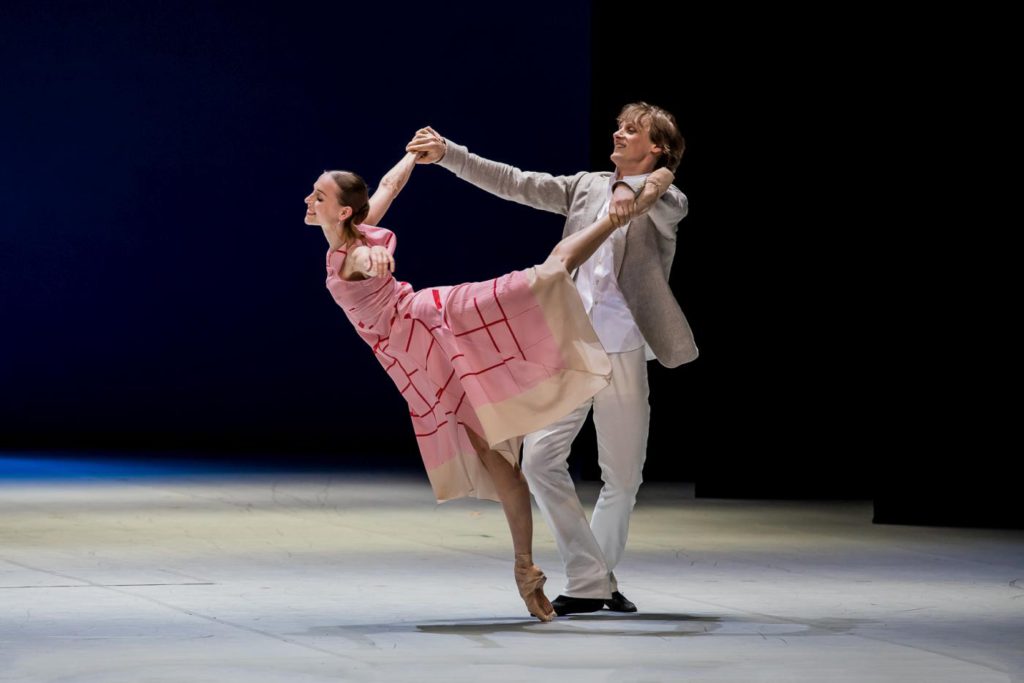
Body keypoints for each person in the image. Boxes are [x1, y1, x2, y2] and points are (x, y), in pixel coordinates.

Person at [303, 147, 676, 621]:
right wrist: (409, 157)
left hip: (432, 323)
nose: (308, 201)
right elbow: (388, 189)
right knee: (494, 453)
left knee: (544, 276)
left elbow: (367, 256)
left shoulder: (354, 251)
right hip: (421, 360)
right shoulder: (352, 229)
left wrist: (376, 257)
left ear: (342, 210)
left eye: (318, 196)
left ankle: (612, 222)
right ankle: (525, 569)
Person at [406, 102, 697, 616]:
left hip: (625, 348)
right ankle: (593, 578)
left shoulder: (670, 197)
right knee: (540, 459)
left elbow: (656, 195)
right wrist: (451, 154)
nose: (618, 132)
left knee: (623, 476)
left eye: (633, 130)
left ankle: (593, 580)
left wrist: (640, 186)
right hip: (571, 346)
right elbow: (516, 182)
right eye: (619, 125)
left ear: (656, 148)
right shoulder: (586, 187)